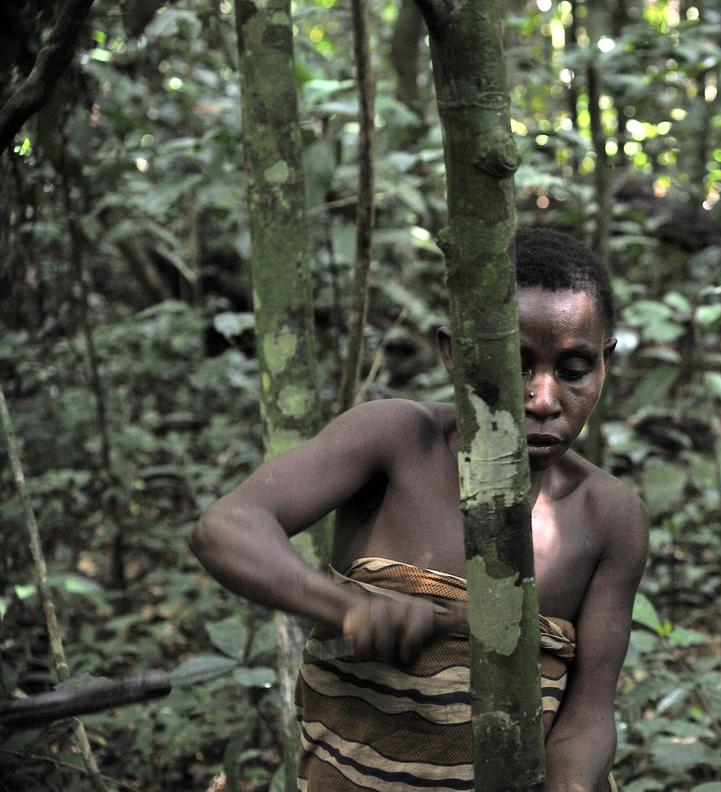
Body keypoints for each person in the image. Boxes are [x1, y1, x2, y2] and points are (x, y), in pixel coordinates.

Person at [190, 227, 647, 792]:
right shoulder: (395, 440)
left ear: (605, 364)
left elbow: (589, 713)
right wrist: (347, 609)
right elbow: (225, 528)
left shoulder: (611, 517)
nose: (545, 399)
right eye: (515, 366)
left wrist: (571, 785)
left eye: (574, 371)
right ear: (456, 354)